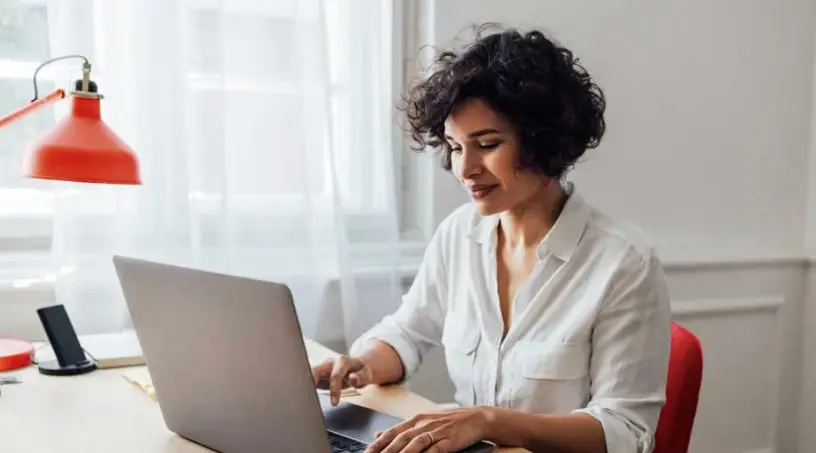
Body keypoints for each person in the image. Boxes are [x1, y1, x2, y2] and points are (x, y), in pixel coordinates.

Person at [312, 25, 671, 453]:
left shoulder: (622, 263)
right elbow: (409, 330)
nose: (465, 169)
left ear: (543, 142)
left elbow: (625, 431)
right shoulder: (459, 234)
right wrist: (362, 366)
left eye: (486, 144)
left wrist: (489, 421)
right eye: (455, 146)